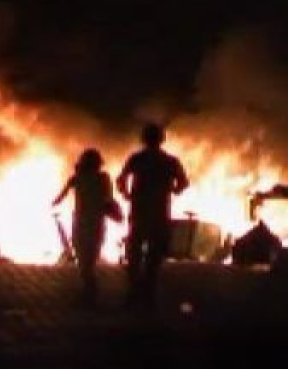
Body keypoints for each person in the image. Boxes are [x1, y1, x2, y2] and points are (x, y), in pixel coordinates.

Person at [117, 123, 189, 308]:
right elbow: (183, 182)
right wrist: (173, 190)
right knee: (154, 255)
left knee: (134, 252)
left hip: (139, 210)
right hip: (159, 212)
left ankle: (134, 290)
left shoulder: (137, 158)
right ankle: (148, 292)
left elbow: (121, 179)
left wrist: (127, 194)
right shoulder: (170, 161)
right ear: (161, 139)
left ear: (144, 139)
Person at [53, 148, 113, 306]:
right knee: (90, 258)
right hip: (97, 222)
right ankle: (90, 290)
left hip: (82, 221)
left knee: (83, 257)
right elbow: (109, 198)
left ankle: (90, 290)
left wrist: (54, 203)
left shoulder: (78, 178)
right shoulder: (103, 178)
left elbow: (60, 197)